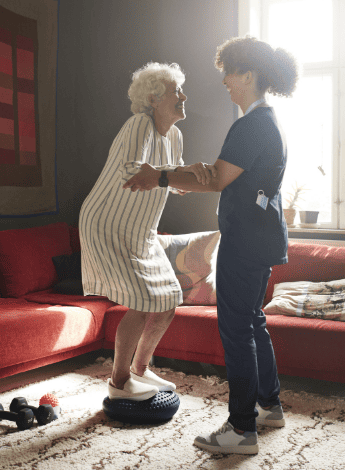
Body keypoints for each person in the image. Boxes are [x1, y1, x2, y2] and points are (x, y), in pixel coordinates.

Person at [123, 36, 299, 454]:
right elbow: (220, 174)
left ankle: (241, 429)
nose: (224, 81)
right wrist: (188, 174)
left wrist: (159, 176)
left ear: (249, 75)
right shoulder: (266, 121)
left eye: (229, 73)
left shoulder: (253, 124)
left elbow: (217, 178)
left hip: (245, 242)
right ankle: (269, 405)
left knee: (237, 330)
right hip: (259, 238)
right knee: (253, 323)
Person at [79, 62, 217, 402]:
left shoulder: (176, 135)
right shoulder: (139, 124)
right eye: (176, 92)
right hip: (109, 223)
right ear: (154, 99)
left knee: (168, 299)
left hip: (141, 231)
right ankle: (119, 382)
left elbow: (168, 181)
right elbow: (133, 171)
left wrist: (190, 172)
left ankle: (140, 370)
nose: (183, 96)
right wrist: (178, 172)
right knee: (141, 302)